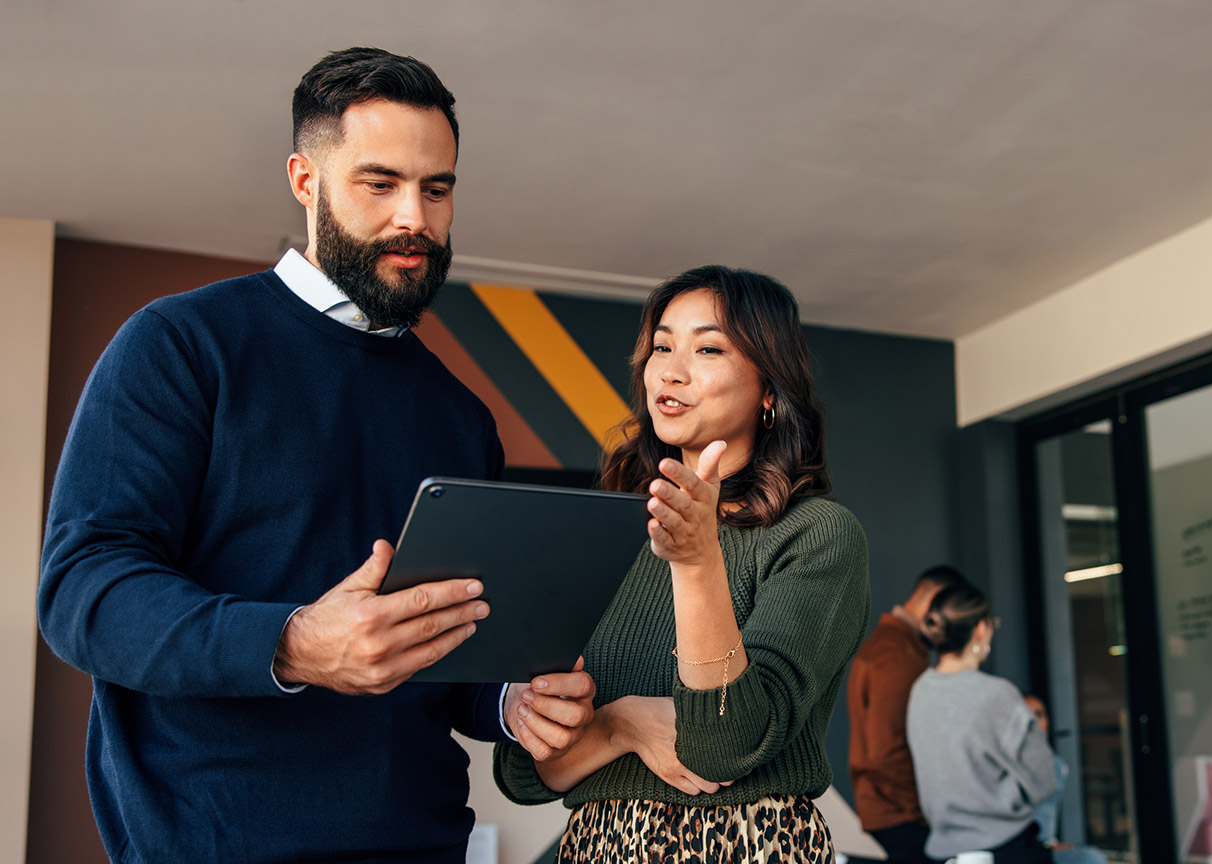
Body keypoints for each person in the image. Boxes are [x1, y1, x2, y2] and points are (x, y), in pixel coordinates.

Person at [36, 47, 594, 863]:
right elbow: (83, 590)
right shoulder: (182, 345)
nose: (415, 217)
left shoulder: (461, 415)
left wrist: (512, 701)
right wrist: (293, 643)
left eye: (436, 189)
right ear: (306, 180)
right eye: (381, 183)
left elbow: (451, 647)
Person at [493, 265, 871, 863]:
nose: (670, 369)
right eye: (662, 346)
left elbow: (722, 745)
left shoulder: (816, 535)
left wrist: (697, 563)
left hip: (748, 845)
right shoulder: (599, 537)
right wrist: (621, 724)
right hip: (596, 848)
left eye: (709, 348)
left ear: (769, 389)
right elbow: (523, 768)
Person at [907, 583, 1057, 864]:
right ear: (980, 629)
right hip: (1008, 849)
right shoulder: (997, 694)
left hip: (944, 852)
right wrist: (1005, 798)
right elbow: (1045, 779)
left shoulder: (920, 691)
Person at [847, 565, 969, 863]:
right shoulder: (897, 654)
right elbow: (888, 749)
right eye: (953, 614)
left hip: (893, 811)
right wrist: (923, 811)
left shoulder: (896, 645)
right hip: (901, 814)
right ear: (936, 603)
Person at [1022, 695, 1109, 864]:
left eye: (1039, 715)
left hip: (1043, 848)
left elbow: (1046, 820)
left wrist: (1050, 843)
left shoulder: (1056, 766)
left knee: (1089, 857)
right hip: (1017, 851)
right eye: (1026, 714)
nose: (1034, 721)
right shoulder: (1003, 768)